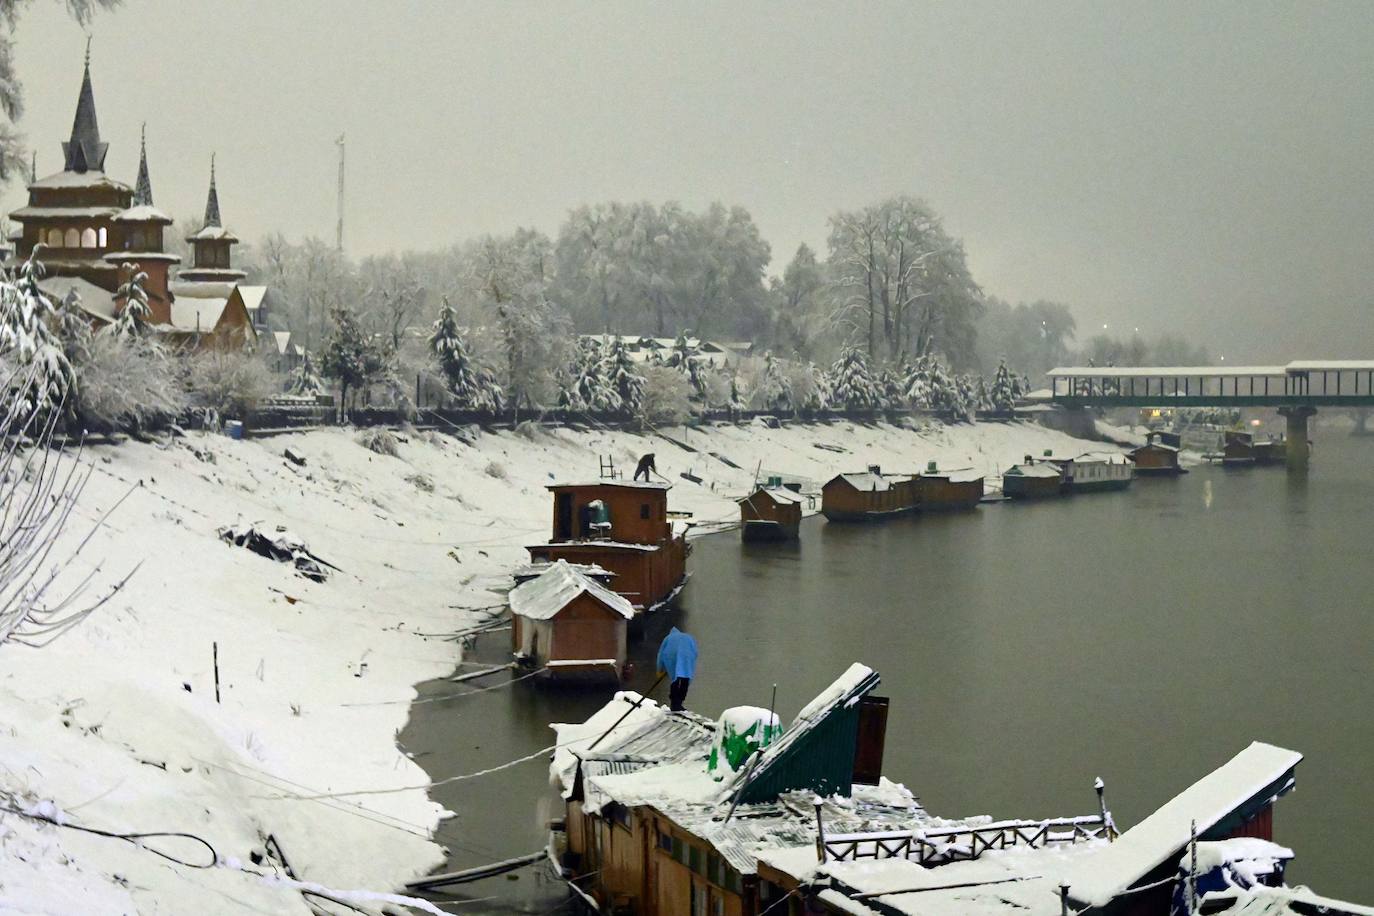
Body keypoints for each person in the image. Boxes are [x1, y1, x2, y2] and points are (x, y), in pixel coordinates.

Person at [656, 626, 698, 712]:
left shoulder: (668, 638)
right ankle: (679, 703)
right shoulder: (688, 637)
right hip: (687, 658)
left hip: (672, 658)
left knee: (674, 680)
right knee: (685, 679)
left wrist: (660, 669)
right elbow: (695, 651)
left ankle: (675, 704)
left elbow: (660, 654)